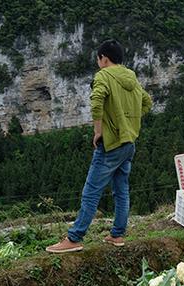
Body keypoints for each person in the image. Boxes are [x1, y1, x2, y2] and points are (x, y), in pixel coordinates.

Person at [46, 39, 152, 253]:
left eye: (98, 59)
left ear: (104, 58)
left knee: (91, 191)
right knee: (121, 190)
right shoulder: (131, 77)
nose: (98, 62)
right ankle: (117, 235)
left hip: (111, 145)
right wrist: (128, 122)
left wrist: (98, 131)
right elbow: (147, 102)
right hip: (129, 143)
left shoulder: (103, 76)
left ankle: (74, 237)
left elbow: (96, 102)